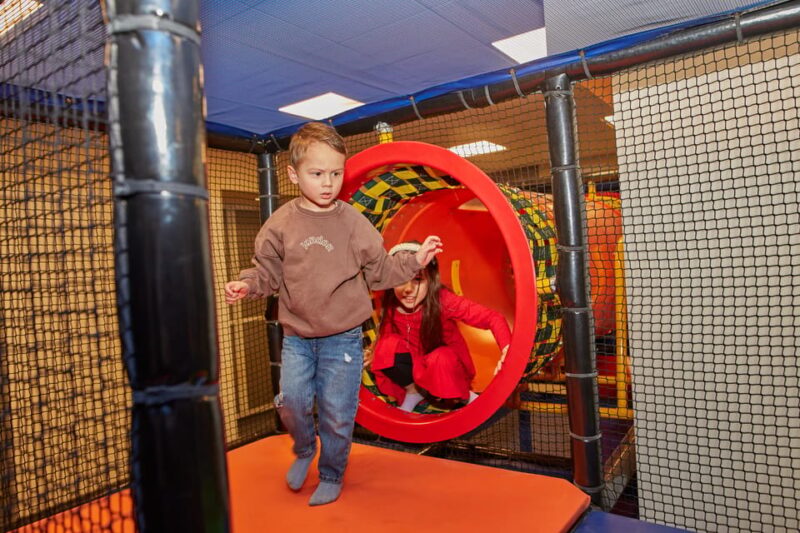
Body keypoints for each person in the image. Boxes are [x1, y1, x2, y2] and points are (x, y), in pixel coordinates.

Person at [224, 122, 442, 506]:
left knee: (337, 412)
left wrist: (414, 260)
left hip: (342, 337)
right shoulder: (281, 225)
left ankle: (331, 473)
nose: (328, 183)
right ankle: (305, 447)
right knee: (291, 400)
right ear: (293, 175)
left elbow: (381, 272)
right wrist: (248, 285)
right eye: (317, 173)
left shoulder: (353, 223)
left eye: (336, 173)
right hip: (297, 338)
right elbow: (267, 272)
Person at [365, 241, 511, 413]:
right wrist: (373, 351)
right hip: (417, 363)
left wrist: (507, 348)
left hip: (447, 365)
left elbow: (492, 318)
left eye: (417, 279)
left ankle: (465, 396)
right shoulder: (391, 302)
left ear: (430, 280)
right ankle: (412, 392)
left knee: (440, 358)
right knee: (385, 346)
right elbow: (387, 332)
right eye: (401, 279)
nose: (408, 289)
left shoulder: (443, 301)